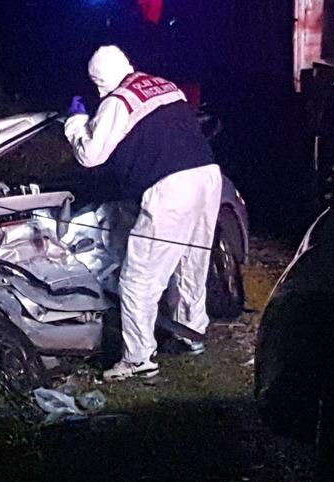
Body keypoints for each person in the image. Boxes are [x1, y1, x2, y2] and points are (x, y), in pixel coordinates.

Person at [64, 45, 221, 382]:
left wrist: (76, 123)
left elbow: (91, 155)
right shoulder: (163, 85)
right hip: (208, 175)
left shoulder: (117, 100)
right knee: (191, 262)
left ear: (98, 81)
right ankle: (190, 332)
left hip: (170, 188)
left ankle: (138, 359)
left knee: (138, 280)